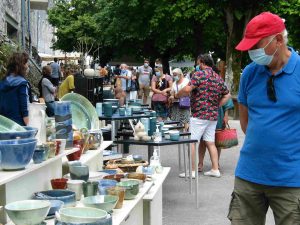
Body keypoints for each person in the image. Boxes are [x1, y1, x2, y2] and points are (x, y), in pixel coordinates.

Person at [228, 12, 300, 225]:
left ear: (278, 40)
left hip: (291, 180)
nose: (252, 52)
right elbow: (245, 123)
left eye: (256, 46)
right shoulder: (250, 73)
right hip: (249, 176)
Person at [177, 54, 230, 178]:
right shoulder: (218, 77)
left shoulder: (199, 75)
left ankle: (193, 171)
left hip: (199, 115)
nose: (197, 65)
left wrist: (177, 95)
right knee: (210, 143)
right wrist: (217, 105)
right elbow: (227, 95)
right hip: (212, 116)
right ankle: (215, 169)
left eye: (197, 62)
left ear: (201, 62)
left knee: (193, 142)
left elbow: (187, 90)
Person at [198, 98, 234, 172]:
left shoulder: (221, 86)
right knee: (202, 140)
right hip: (203, 112)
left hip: (218, 113)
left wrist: (226, 115)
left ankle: (216, 163)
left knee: (218, 139)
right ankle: (200, 163)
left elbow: (226, 97)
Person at [0, 52, 30, 126]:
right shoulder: (22, 84)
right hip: (18, 126)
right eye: (26, 63)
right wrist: (29, 128)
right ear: (21, 66)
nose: (27, 66)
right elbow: (24, 110)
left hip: (4, 125)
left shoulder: (2, 82)